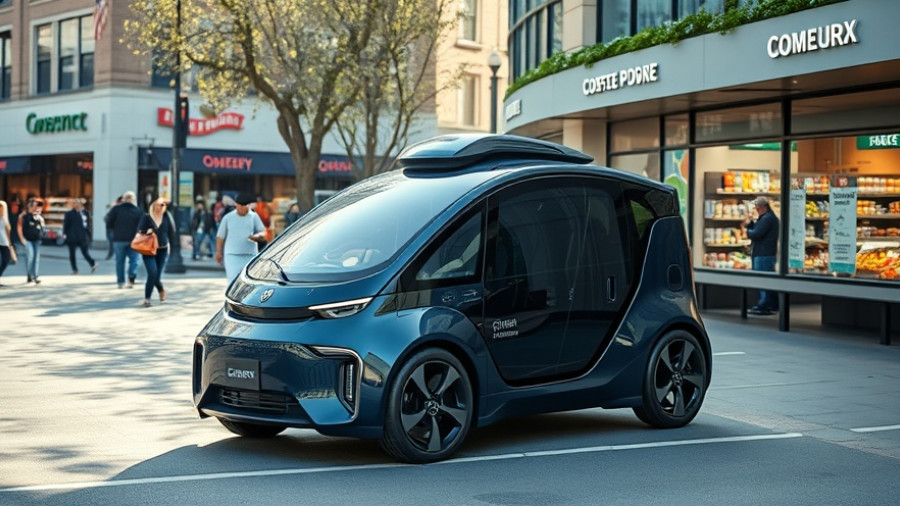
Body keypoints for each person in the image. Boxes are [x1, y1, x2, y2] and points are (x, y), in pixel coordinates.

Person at [216, 192, 266, 285]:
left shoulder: (253, 216)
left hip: (250, 254)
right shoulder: (228, 218)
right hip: (232, 255)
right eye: (241, 206)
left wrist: (257, 237)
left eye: (245, 207)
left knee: (250, 282)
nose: (243, 209)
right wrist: (219, 253)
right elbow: (220, 237)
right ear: (236, 206)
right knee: (233, 281)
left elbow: (262, 231)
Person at [742, 196, 780, 315]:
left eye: (757, 208)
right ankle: (771, 305)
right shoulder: (767, 218)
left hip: (763, 254)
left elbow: (757, 234)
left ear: (764, 207)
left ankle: (764, 305)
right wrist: (751, 224)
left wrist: (746, 232)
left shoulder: (767, 219)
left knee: (763, 281)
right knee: (768, 281)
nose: (756, 210)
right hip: (765, 253)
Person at [137, 198, 176, 307]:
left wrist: (172, 248)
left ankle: (161, 289)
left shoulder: (167, 216)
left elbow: (172, 233)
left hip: (162, 249)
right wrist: (147, 231)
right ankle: (147, 298)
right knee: (152, 273)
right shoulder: (146, 217)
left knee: (156, 276)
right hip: (148, 250)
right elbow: (140, 230)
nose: (161, 207)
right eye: (159, 205)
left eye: (163, 205)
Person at [106, 191, 144, 289]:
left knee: (120, 261)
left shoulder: (116, 209)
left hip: (119, 239)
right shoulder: (138, 211)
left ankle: (121, 282)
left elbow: (108, 221)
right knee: (134, 260)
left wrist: (114, 230)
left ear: (123, 199)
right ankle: (131, 277)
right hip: (134, 240)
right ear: (133, 200)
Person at [63, 198, 98, 275]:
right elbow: (66, 225)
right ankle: (75, 269)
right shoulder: (69, 213)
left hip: (82, 236)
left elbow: (88, 224)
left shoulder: (85, 213)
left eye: (78, 203)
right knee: (72, 254)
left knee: (85, 252)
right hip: (72, 236)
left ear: (81, 205)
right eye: (75, 203)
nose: (77, 205)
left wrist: (88, 234)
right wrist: (65, 234)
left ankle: (93, 264)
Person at [17, 198, 45, 284]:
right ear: (29, 206)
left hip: (36, 240)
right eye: (34, 205)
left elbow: (42, 227)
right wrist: (22, 239)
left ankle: (35, 276)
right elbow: (19, 228)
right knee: (30, 257)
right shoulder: (23, 216)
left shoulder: (38, 217)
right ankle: (30, 275)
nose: (36, 207)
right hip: (28, 240)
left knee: (36, 258)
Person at [0, 200, 18, 288]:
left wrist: (10, 243)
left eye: (1, 207)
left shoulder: (5, 218)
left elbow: (8, 231)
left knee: (6, 260)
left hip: (4, 242)